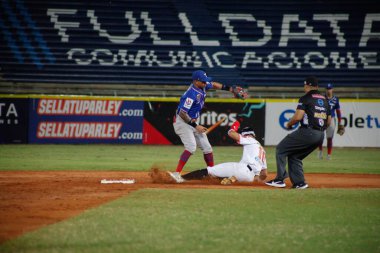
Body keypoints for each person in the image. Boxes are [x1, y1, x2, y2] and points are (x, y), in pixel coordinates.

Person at [170, 70, 248, 182]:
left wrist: (230, 89)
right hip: (182, 122)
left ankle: (213, 173)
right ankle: (176, 174)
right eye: (203, 81)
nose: (206, 83)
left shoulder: (202, 86)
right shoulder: (191, 94)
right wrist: (196, 126)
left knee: (207, 148)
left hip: (191, 122)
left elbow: (215, 84)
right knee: (191, 147)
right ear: (196, 81)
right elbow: (182, 113)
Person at [265, 76, 331, 189]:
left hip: (308, 132)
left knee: (281, 149)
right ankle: (299, 183)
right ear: (317, 86)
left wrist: (289, 124)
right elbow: (328, 121)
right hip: (320, 135)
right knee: (295, 156)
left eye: (305, 85)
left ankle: (280, 179)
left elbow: (298, 117)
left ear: (307, 85)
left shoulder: (305, 98)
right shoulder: (325, 100)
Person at [168, 121, 268, 184]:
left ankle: (181, 179)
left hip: (241, 169)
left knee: (209, 170)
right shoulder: (262, 150)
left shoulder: (249, 139)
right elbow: (264, 174)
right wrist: (254, 179)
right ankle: (231, 179)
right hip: (249, 178)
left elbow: (231, 133)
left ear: (246, 135)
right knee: (226, 175)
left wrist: (234, 127)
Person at [317, 83, 343, 160]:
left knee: (329, 138)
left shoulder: (336, 99)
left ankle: (328, 154)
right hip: (322, 118)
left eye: (330, 89)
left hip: (331, 119)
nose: (329, 90)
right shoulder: (322, 98)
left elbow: (338, 111)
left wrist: (340, 122)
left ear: (332, 89)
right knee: (320, 137)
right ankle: (320, 151)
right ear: (325, 90)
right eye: (327, 89)